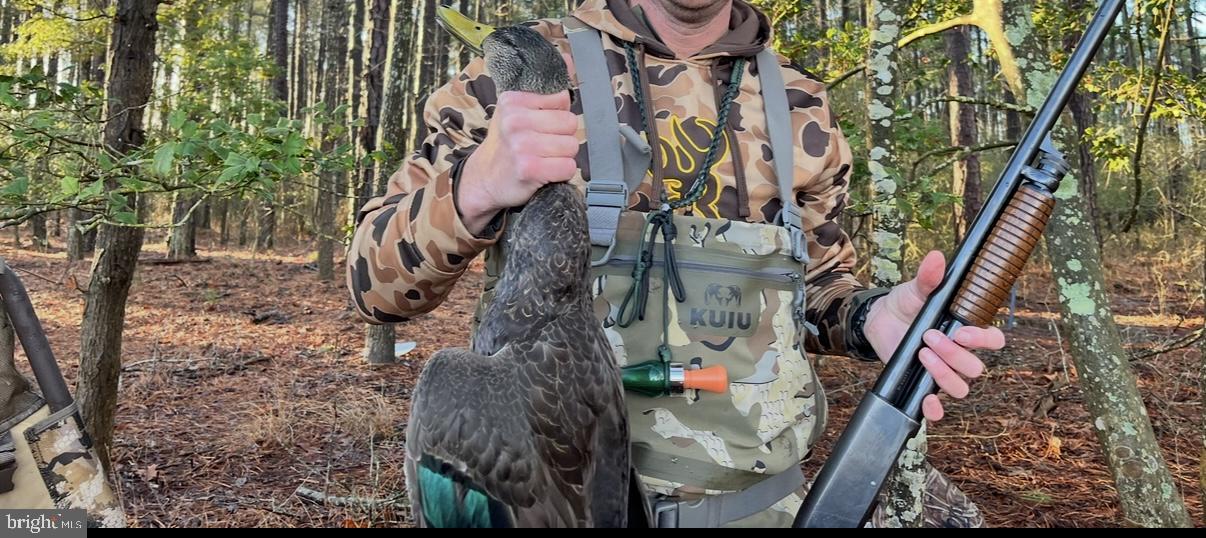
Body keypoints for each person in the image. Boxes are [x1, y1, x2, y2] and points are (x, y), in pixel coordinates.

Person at [348, 0, 1001, 527]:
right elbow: (373, 284)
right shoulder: (523, 77)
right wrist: (477, 185)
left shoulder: (800, 104)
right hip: (563, 510)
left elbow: (819, 290)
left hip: (763, 509)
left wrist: (875, 319)